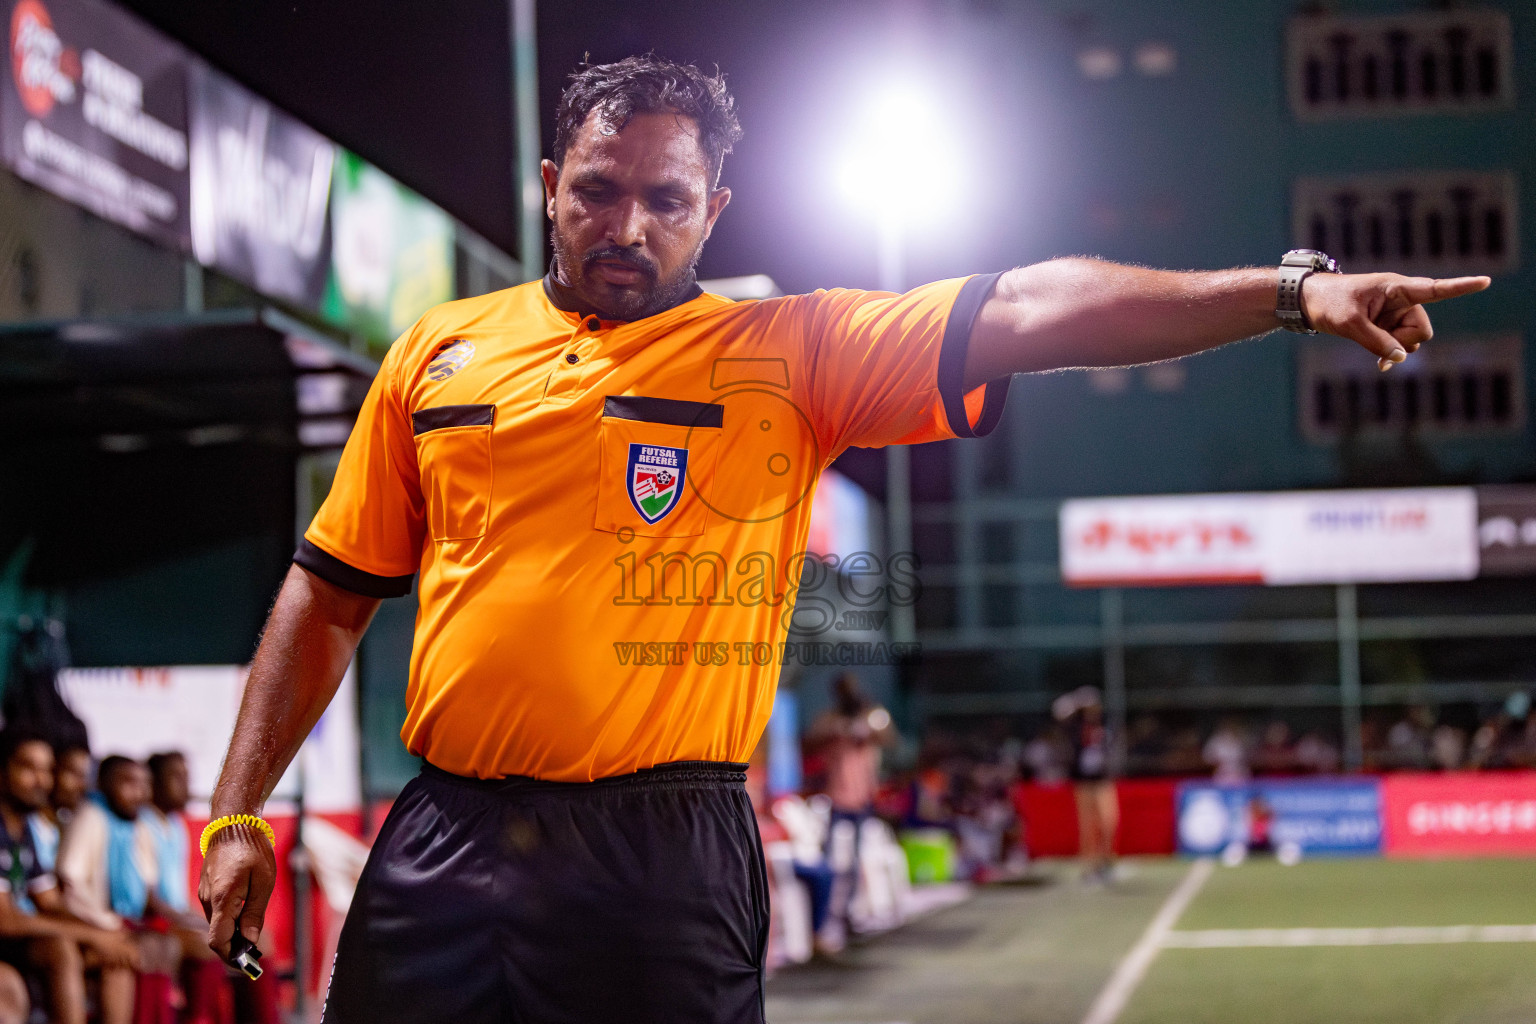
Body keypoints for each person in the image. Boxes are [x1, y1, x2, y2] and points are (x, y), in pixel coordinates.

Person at [198, 54, 1488, 1024]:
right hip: (446, 841)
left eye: (666, 198)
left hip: (659, 855)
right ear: (551, 188)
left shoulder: (792, 351)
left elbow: (1038, 305)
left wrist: (1288, 292)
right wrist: (236, 812)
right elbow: (329, 593)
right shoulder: (436, 349)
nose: (628, 225)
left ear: (716, 210)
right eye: (597, 190)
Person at [0, 730, 138, 1024]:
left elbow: (49, 902)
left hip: (16, 941)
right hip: (7, 939)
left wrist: (104, 932)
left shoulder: (23, 829)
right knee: (60, 949)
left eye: (46, 770)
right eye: (28, 768)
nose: (42, 780)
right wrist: (91, 934)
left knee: (116, 954)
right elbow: (6, 920)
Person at [57, 756, 179, 1024]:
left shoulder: (138, 825)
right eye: (128, 783)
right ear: (103, 784)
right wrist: (108, 923)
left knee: (164, 945)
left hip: (125, 919)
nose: (139, 793)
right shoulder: (91, 817)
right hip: (96, 919)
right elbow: (70, 885)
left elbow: (148, 888)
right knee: (130, 955)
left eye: (144, 784)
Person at [805, 673, 894, 944]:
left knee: (855, 862)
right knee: (828, 861)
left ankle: (847, 913)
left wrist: (865, 724)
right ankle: (822, 917)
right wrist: (840, 727)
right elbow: (812, 740)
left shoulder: (871, 718)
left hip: (861, 799)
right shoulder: (831, 720)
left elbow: (888, 737)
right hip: (837, 798)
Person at [1054, 686, 1117, 882]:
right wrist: (1075, 701)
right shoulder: (1075, 725)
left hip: (1102, 780)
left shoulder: (1104, 723)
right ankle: (1090, 867)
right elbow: (1059, 711)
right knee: (1088, 827)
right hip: (1083, 783)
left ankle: (1105, 861)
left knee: (1109, 822)